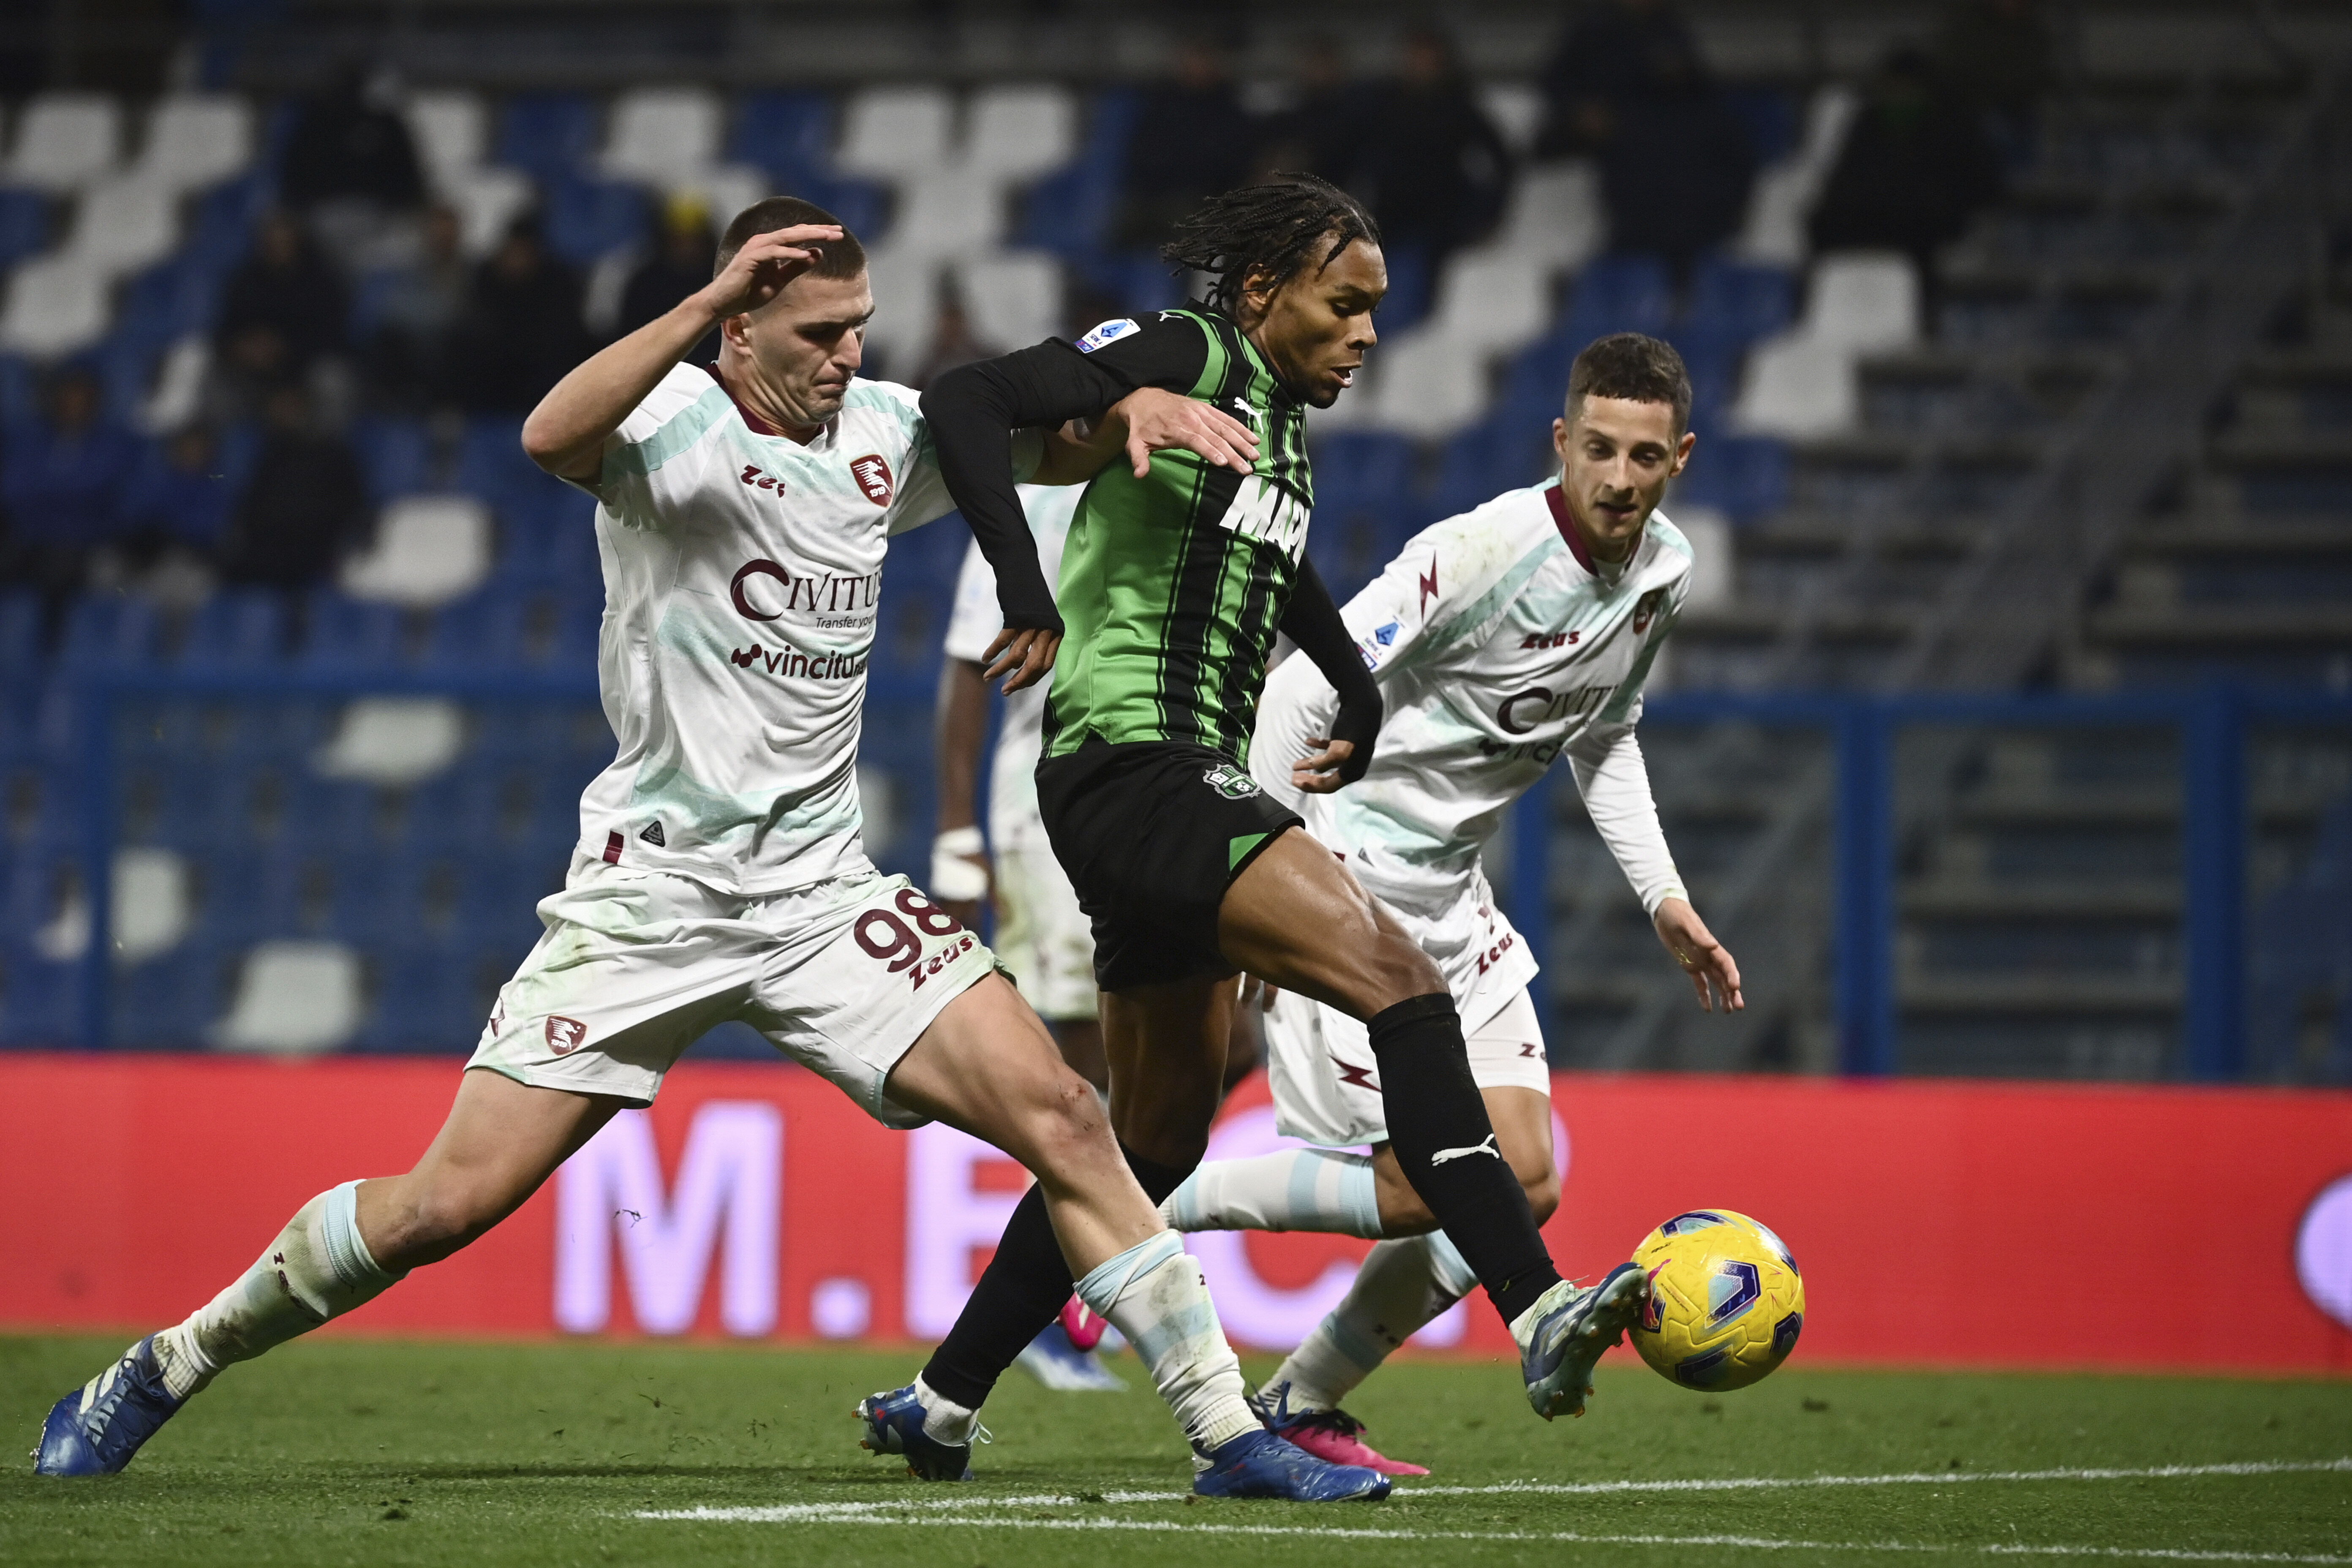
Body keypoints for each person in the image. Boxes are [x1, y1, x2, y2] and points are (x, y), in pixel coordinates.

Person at [31, 196, 1388, 1505]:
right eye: (813, 333)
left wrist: (1129, 410)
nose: (844, 355)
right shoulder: (664, 417)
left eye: (857, 327)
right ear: (739, 327)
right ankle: (163, 1365)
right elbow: (544, 434)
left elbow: (1050, 441)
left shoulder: (884, 430)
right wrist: (697, 304)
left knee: (1066, 1121)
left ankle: (1221, 1429)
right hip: (654, 892)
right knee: (443, 1206)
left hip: (818, 893)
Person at [878, 175, 1654, 1483]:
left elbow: (1270, 564)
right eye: (1342, 306)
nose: (1364, 335)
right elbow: (964, 397)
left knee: (1151, 1142)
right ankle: (1536, 1308)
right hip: (1138, 767)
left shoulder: (1276, 432)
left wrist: (1352, 687)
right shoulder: (1182, 355)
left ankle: (940, 1396)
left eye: (1375, 314)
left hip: (1143, 787)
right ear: (1258, 293)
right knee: (1402, 984)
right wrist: (1024, 582)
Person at [1161, 333, 1743, 1475]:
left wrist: (1666, 899)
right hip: (1344, 884)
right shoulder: (1480, 553)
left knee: (1525, 1178)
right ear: (1560, 443)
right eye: (1598, 451)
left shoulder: (1664, 569)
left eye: (1643, 457)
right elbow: (1296, 695)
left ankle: (1302, 1401)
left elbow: (1608, 733)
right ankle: (1137, 1210)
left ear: (1680, 458)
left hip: (1452, 901)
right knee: (1436, 1177)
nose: (1618, 480)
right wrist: (1261, 886)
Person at [1809, 47, 2003, 290]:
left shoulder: (1950, 128)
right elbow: (1844, 185)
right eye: (1892, 85)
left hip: (1925, 232)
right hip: (1869, 226)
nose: (1899, 93)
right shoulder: (1869, 123)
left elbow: (1980, 186)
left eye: (1906, 86)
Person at [1352, 27, 1511, 264]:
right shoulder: (1382, 105)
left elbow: (1498, 162)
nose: (1420, 66)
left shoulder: (1457, 110)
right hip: (1387, 219)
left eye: (1428, 59)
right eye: (1414, 58)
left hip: (1437, 223)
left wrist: (1485, 216)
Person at [0, 363, 136, 601]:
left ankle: (57, 635)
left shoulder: (116, 444)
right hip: (29, 536)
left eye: (81, 400)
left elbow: (101, 494)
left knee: (62, 572)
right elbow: (13, 489)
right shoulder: (31, 441)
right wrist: (61, 494)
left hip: (87, 541)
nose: (73, 407)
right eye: (67, 399)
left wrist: (49, 492)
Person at [217, 384, 369, 592]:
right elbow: (254, 505)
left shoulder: (334, 453)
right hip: (270, 546)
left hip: (317, 545)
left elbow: (351, 504)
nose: (285, 414)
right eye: (279, 408)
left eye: (291, 407)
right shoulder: (272, 456)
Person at [1116, 38, 1260, 248]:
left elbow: (1233, 162)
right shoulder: (1162, 105)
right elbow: (1142, 154)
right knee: (1125, 224)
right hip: (1154, 194)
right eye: (1192, 60)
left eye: (1203, 61)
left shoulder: (1230, 112)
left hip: (1203, 199)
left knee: (1187, 221)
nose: (1197, 68)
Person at [446, 215, 594, 416]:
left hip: (540, 379)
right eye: (513, 249)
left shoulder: (558, 283)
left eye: (524, 250)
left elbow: (563, 336)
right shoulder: (487, 279)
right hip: (495, 378)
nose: (517, 258)